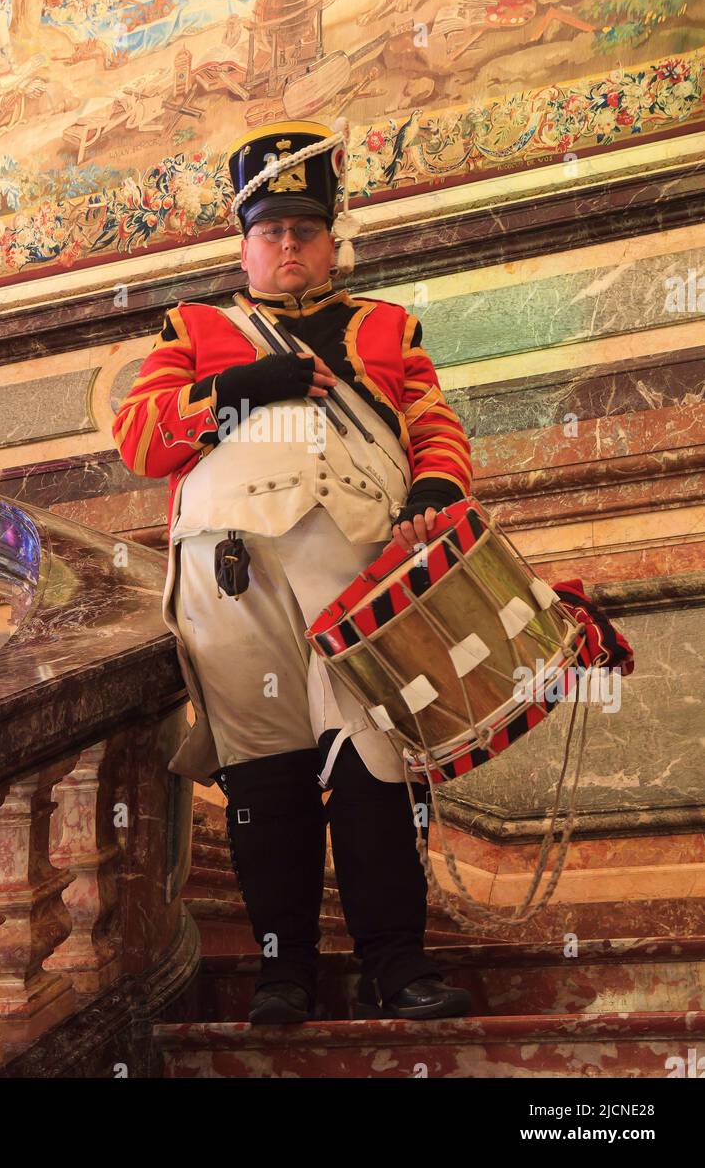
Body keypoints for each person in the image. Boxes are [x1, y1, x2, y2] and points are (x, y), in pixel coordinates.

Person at [113, 120, 474, 1025]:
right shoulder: (195, 328)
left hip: (356, 569)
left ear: (331, 239)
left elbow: (434, 426)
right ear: (243, 244)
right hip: (231, 580)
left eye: (304, 230)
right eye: (270, 231)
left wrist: (436, 480)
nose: (288, 246)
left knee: (375, 768)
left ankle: (397, 965)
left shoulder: (388, 328)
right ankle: (285, 973)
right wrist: (245, 387)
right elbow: (141, 437)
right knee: (263, 780)